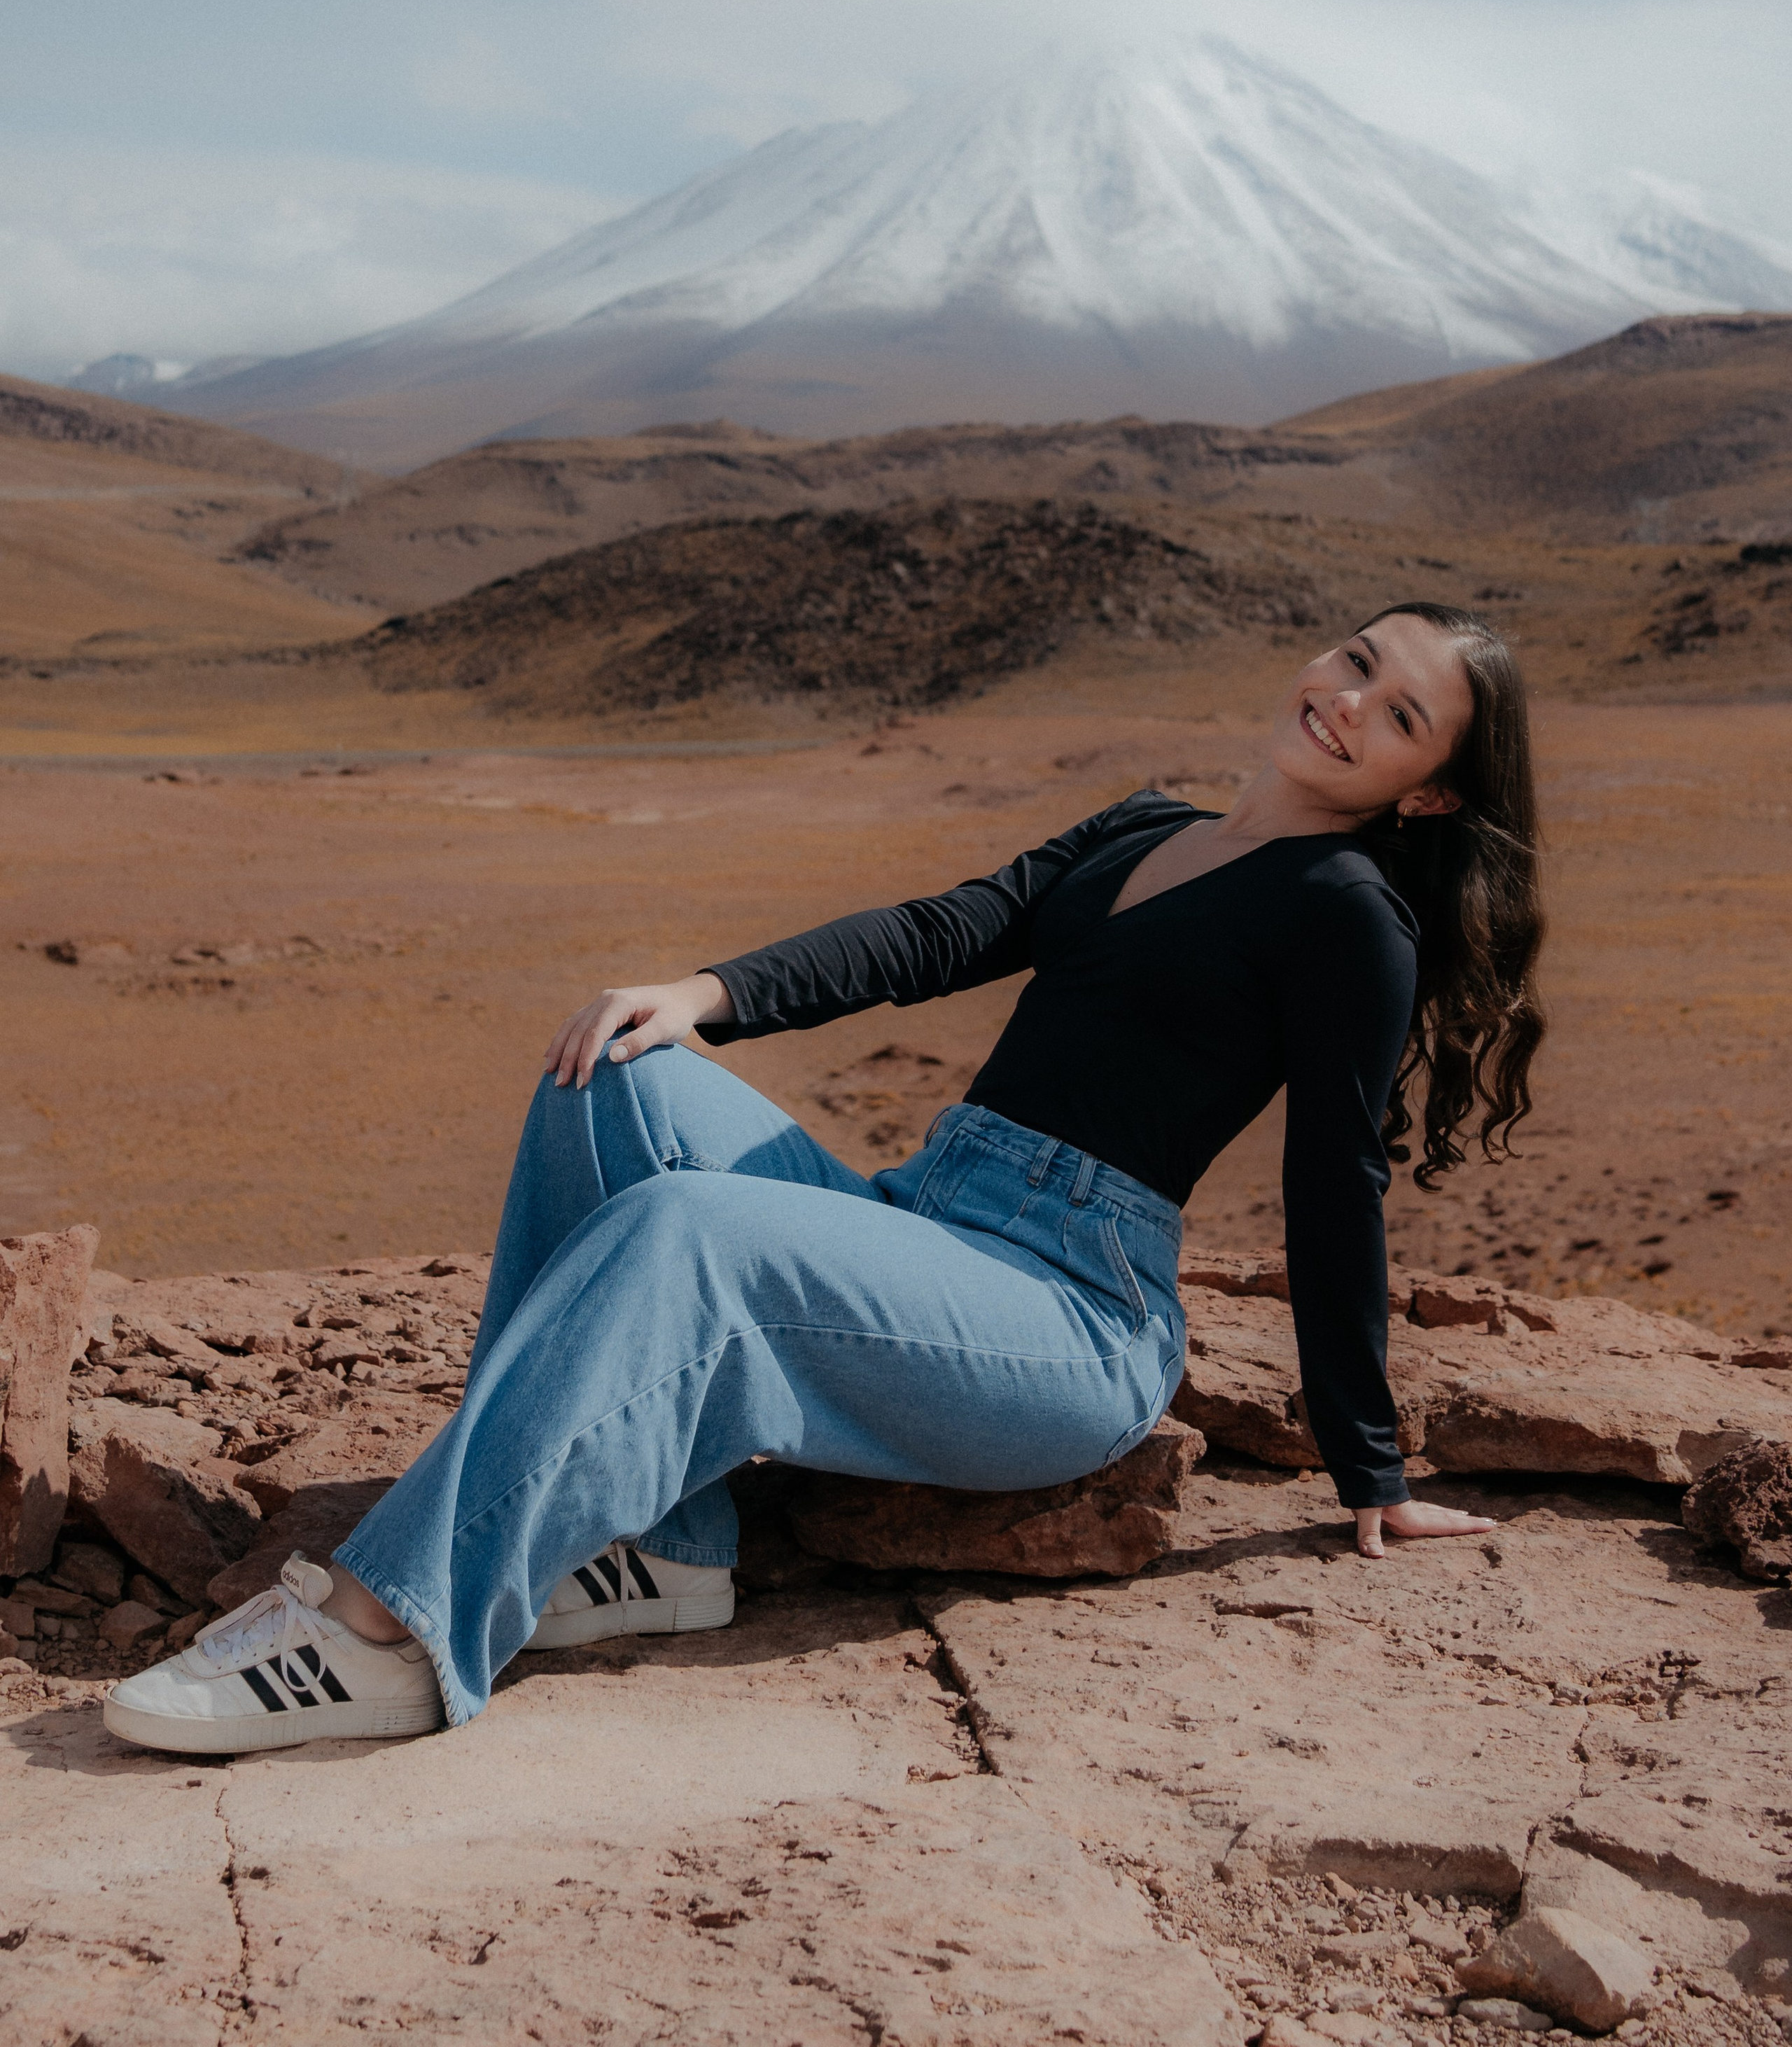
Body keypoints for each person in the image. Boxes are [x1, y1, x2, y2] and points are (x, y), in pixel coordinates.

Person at [104, 601, 1546, 1755]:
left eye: (1399, 714)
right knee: (613, 1072)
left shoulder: (1348, 917)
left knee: (691, 1229)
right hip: (927, 1223)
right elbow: (939, 931)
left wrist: (1371, 1467)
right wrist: (704, 991)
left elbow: (1330, 1179)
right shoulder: (1145, 831)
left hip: (1064, 1319)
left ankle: (389, 1630)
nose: (1348, 701)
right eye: (1357, 661)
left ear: (1423, 797)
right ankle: (658, 1553)